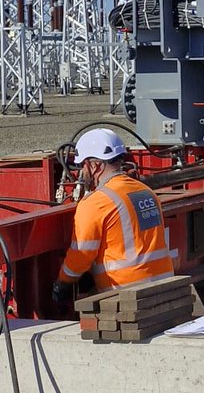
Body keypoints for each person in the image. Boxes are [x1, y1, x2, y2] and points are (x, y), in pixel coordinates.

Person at [50, 128, 176, 303]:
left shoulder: (95, 203)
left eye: (82, 166)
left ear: (94, 166)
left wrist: (63, 283)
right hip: (164, 284)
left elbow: (81, 255)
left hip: (126, 292)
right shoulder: (146, 192)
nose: (81, 173)